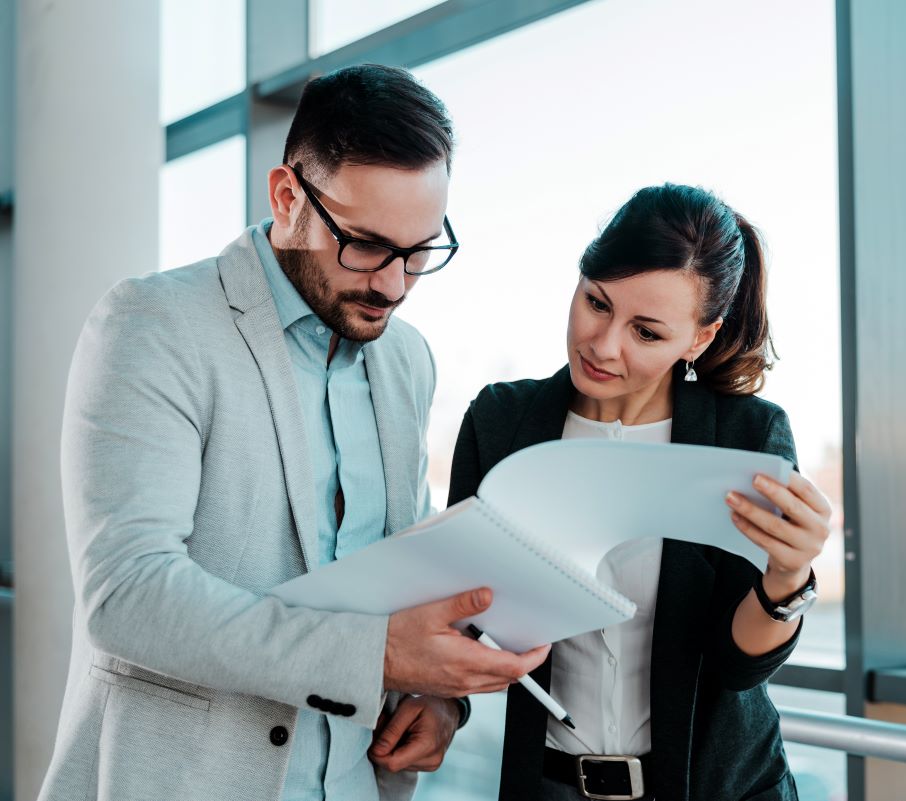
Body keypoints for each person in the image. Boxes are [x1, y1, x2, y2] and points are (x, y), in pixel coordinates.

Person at [42, 64, 547, 801]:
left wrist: (440, 701)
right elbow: (129, 594)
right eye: (367, 245)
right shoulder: (154, 325)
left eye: (419, 252)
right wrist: (373, 655)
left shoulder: (406, 360)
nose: (394, 285)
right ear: (288, 198)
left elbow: (406, 573)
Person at [447, 183, 834, 800]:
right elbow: (460, 612)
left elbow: (737, 669)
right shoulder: (501, 422)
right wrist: (441, 705)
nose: (603, 346)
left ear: (699, 339)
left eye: (647, 333)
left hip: (716, 789)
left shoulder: (744, 435)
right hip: (549, 787)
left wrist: (788, 575)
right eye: (596, 303)